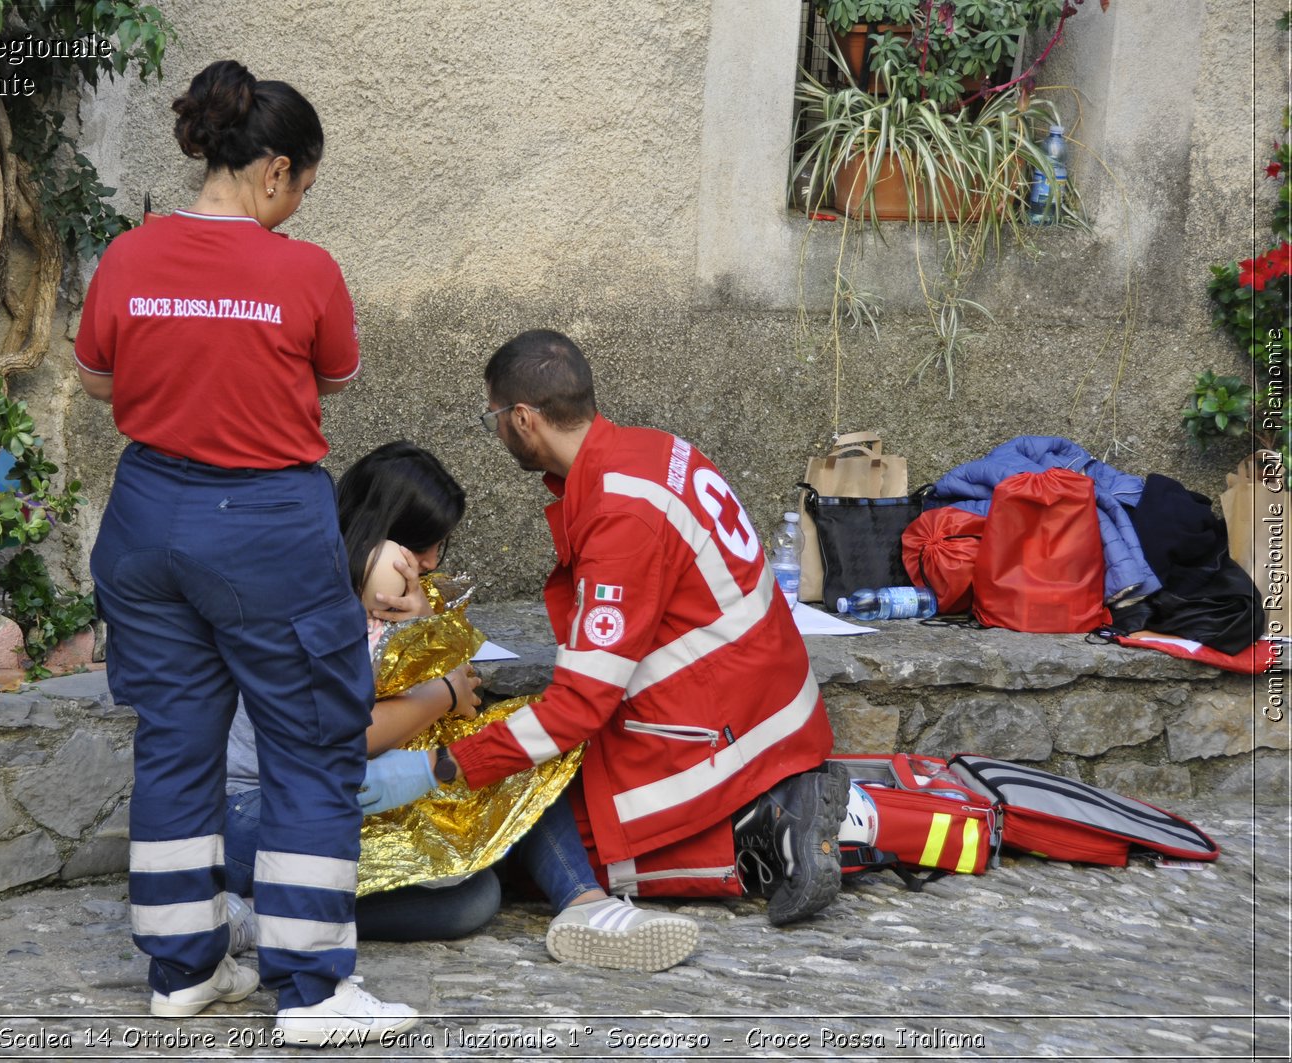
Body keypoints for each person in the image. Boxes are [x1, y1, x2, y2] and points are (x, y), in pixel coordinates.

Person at [73, 59, 415, 1044]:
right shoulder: (302, 271)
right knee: (310, 744)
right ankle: (311, 989)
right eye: (303, 186)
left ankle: (184, 971)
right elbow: (335, 376)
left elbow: (98, 381)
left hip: (145, 519)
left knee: (176, 742)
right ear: (272, 172)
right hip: (266, 525)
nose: (301, 204)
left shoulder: (131, 255)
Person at [360, 329, 851, 928]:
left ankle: (765, 834)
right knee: (533, 808)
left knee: (532, 835)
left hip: (717, 728)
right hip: (759, 701)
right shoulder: (652, 451)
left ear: (523, 418)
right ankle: (785, 818)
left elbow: (577, 708)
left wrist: (438, 767)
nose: (494, 431)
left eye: (492, 416)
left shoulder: (620, 515)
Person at [226, 441, 700, 971]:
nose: (429, 561)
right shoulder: (309, 596)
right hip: (264, 811)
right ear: (374, 531)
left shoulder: (392, 594)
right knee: (467, 901)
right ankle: (252, 917)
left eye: (438, 546)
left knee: (505, 790)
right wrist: (441, 695)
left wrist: (425, 624)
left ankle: (585, 903)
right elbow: (338, 735)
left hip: (344, 789)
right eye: (420, 545)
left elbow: (441, 689)